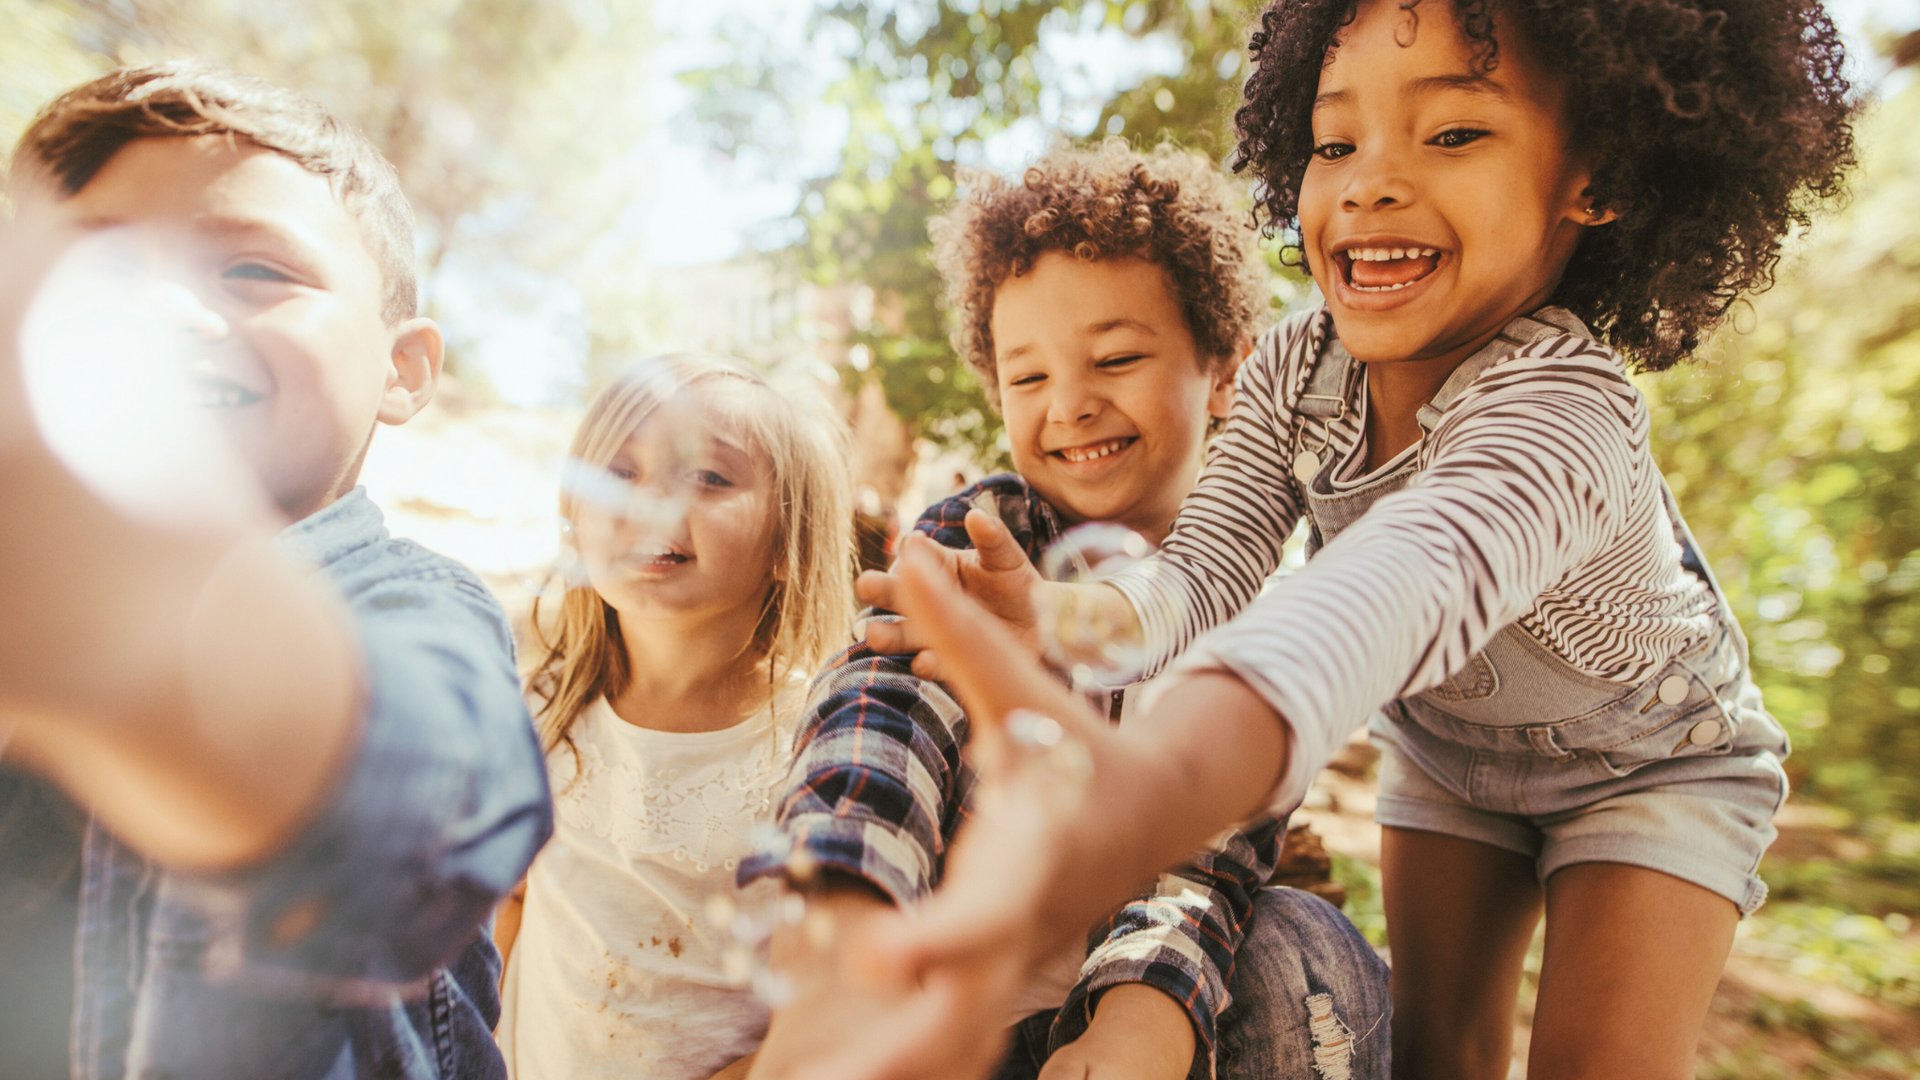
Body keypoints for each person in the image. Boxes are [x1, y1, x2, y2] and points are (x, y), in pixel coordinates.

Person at [835, 2, 1859, 1079]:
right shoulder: (1293, 369)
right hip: (1452, 753)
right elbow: (1209, 570)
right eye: (1335, 142)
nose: (1369, 181)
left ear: (1596, 180)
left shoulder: (1567, 411)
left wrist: (1165, 780)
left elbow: (1399, 584)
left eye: (1454, 133)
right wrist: (1063, 616)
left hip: (1651, 762)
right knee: (1434, 1056)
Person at [743, 142, 1390, 1080]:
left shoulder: (1249, 602)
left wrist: (1146, 1009)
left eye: (1116, 358)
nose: (1072, 406)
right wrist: (845, 919)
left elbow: (1208, 851)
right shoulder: (983, 533)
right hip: (944, 1013)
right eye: (1029, 378)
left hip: (1142, 1017)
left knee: (1311, 945)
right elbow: (879, 715)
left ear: (1224, 376)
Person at [0, 64, 552, 1079]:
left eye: (254, 273)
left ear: (404, 370)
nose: (164, 310)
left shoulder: (415, 601)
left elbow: (437, 811)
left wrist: (130, 643)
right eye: (98, 274)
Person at [493, 355, 855, 1080]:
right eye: (620, 473)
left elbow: (831, 1008)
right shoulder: (538, 711)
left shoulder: (823, 745)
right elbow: (509, 907)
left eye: (709, 477)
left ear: (788, 540)